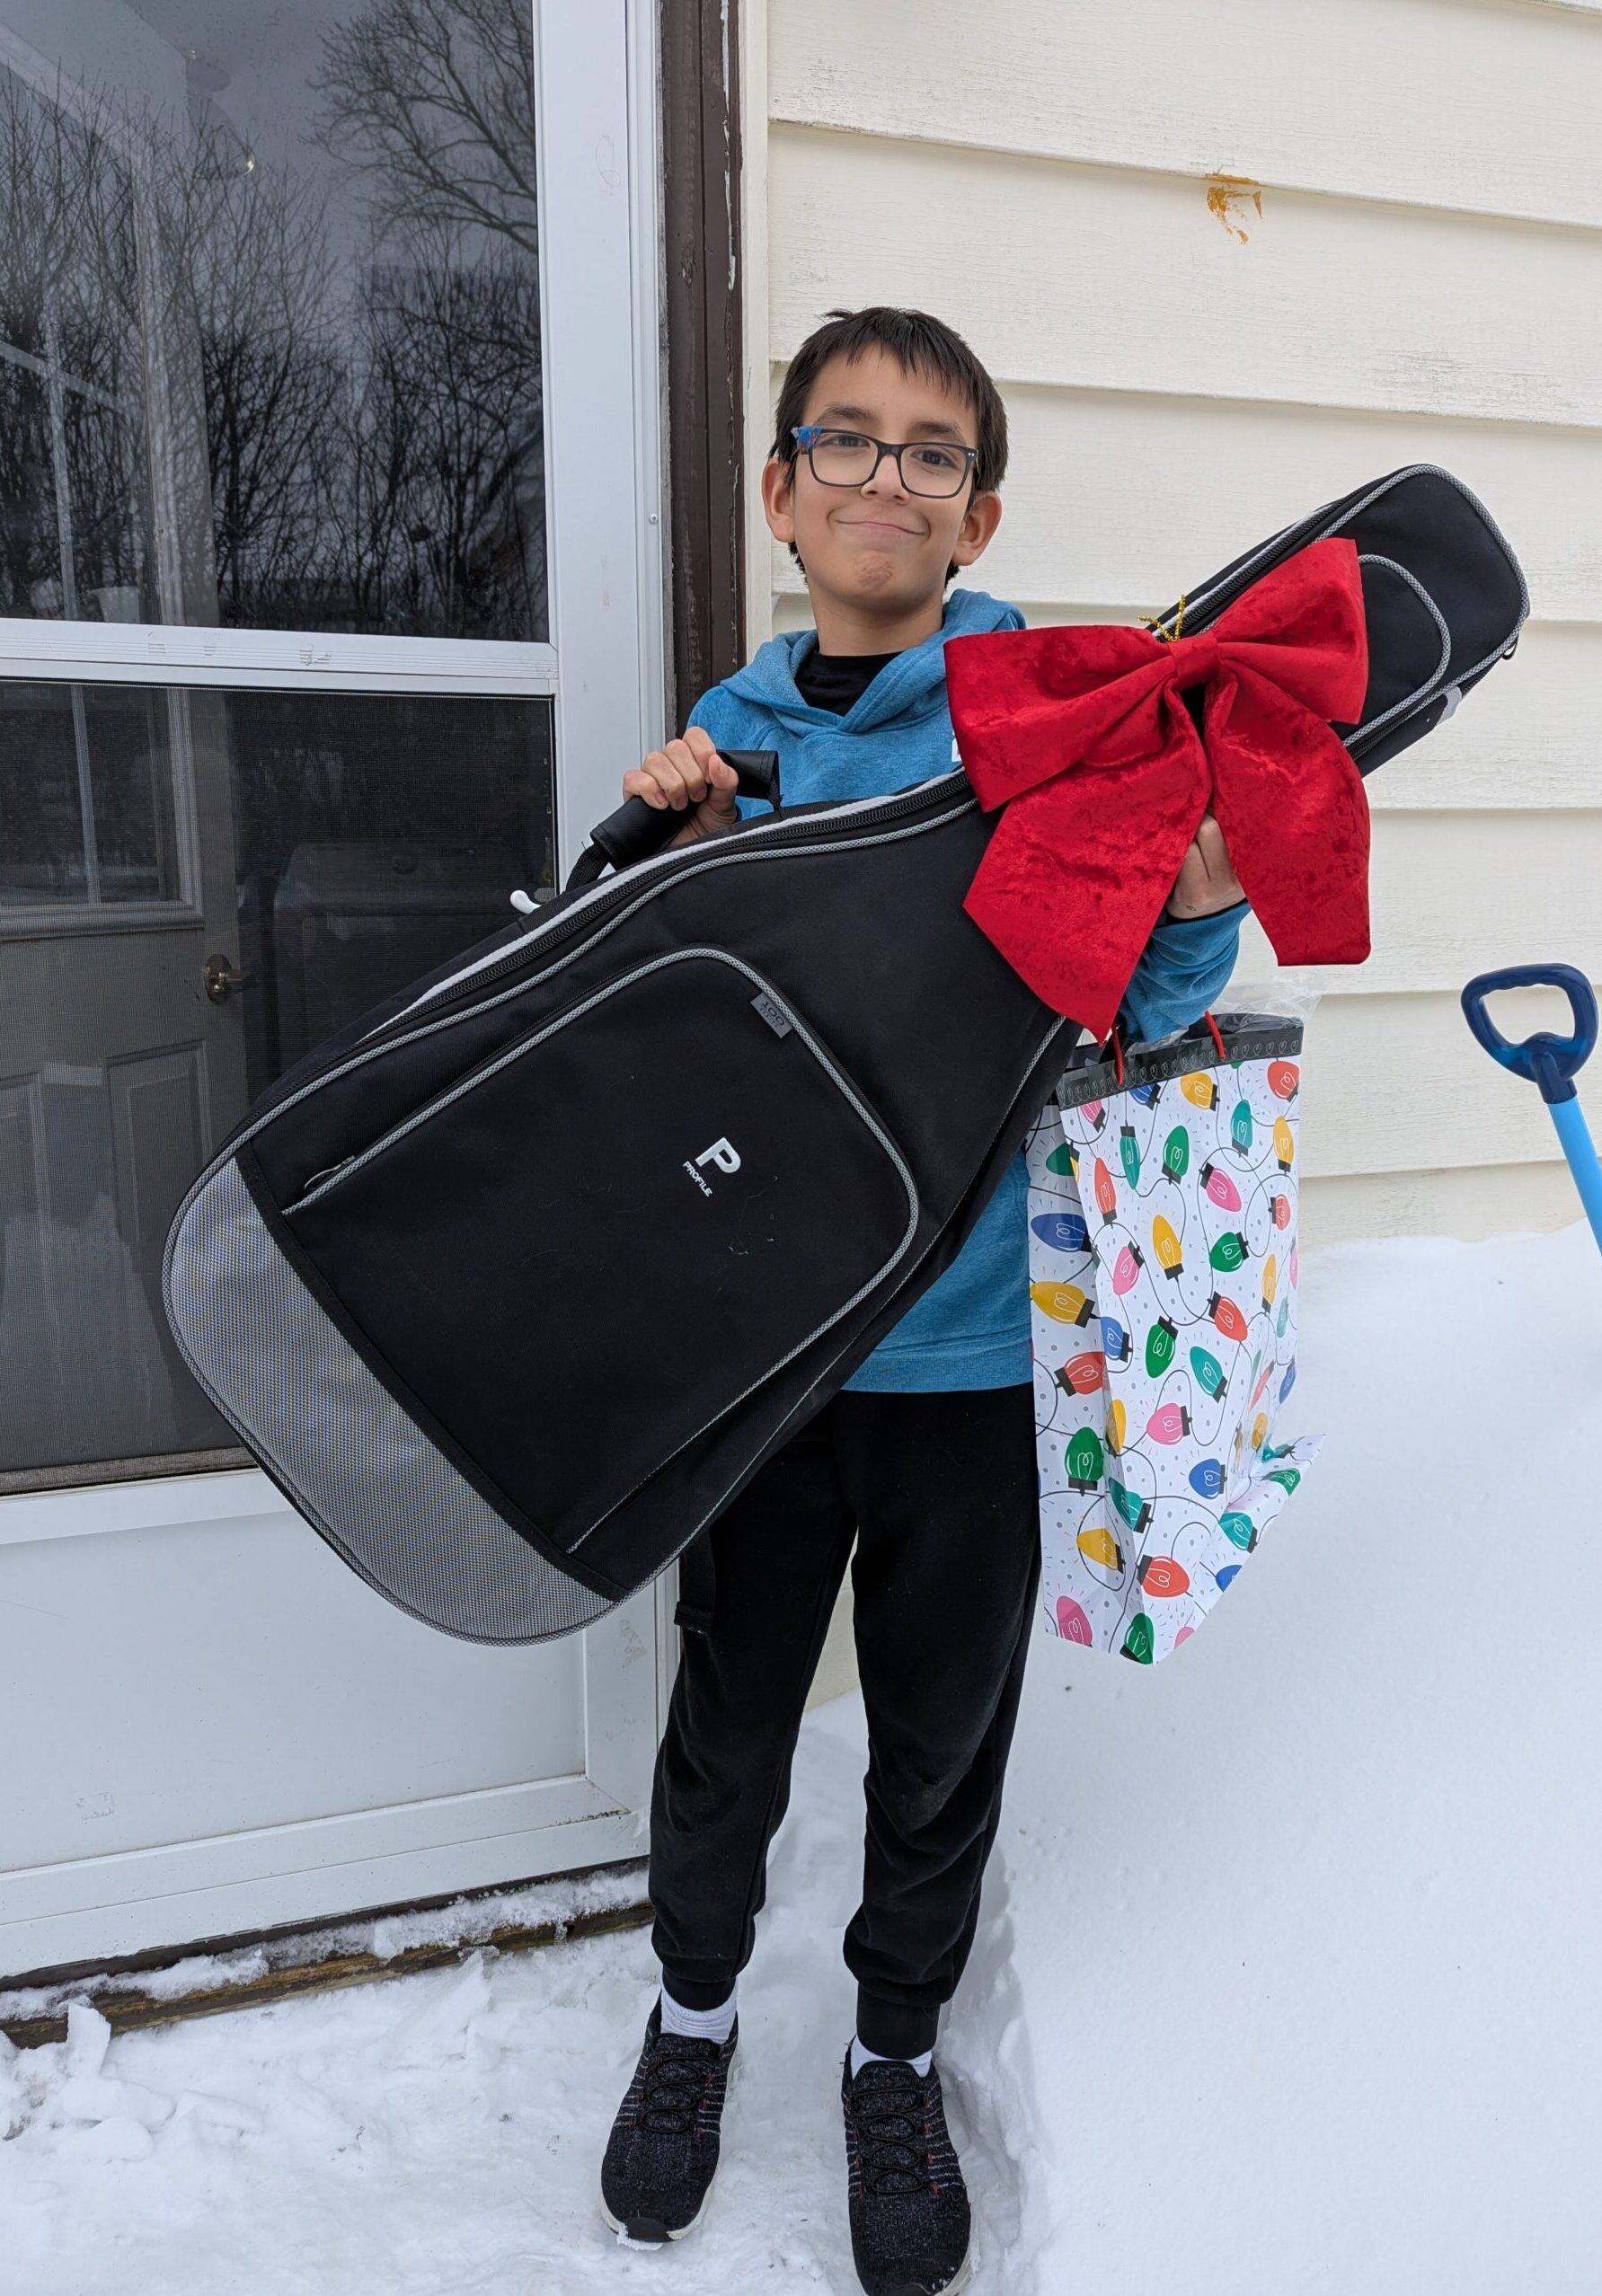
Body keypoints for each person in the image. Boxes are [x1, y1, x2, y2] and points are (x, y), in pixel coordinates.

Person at [597, 307, 1247, 2295]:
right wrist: (662, 861)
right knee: (727, 1719)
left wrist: (1200, 886)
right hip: (764, 1357)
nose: (887, 476)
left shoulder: (1045, 720)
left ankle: (892, 2053)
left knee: (937, 1738)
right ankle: (692, 2020)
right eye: (847, 441)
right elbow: (631, 1044)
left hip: (964, 1349)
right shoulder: (726, 739)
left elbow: (1131, 1007)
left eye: (930, 452)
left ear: (977, 516)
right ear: (781, 491)